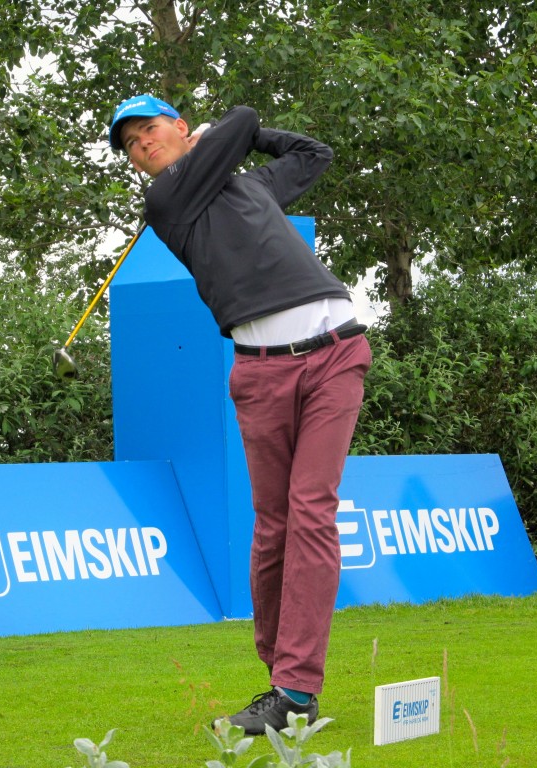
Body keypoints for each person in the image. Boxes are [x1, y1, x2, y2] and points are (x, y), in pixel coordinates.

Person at [109, 94, 371, 734]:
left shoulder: (248, 187)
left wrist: (233, 144)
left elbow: (313, 153)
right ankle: (282, 674)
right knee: (274, 528)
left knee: (311, 509)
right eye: (132, 145)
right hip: (261, 372)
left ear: (179, 126)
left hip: (336, 353)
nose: (143, 146)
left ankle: (295, 689)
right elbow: (243, 119)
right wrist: (213, 140)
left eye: (150, 130)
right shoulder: (166, 200)